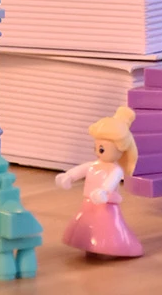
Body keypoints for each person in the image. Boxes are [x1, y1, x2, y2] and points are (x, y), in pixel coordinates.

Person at [55, 106, 142, 257]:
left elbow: (111, 182)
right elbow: (79, 170)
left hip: (105, 204)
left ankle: (109, 247)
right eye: (95, 148)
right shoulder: (93, 165)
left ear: (120, 150)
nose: (97, 152)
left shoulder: (115, 170)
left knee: (106, 227)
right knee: (86, 224)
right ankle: (88, 244)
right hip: (89, 203)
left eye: (101, 149)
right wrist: (68, 176)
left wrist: (103, 191)